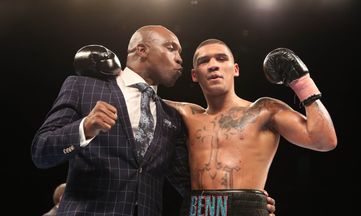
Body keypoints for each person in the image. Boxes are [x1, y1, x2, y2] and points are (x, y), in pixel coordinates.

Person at [31, 26, 276, 215]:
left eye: (180, 52)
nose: (180, 58)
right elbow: (41, 151)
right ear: (142, 50)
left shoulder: (170, 116)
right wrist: (84, 127)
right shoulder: (84, 87)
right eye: (171, 48)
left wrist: (242, 201)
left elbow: (189, 185)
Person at [161, 39, 338, 215]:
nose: (213, 65)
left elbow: (324, 140)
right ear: (194, 74)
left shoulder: (264, 110)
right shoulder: (185, 114)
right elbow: (138, 95)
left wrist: (302, 82)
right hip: (196, 209)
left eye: (221, 58)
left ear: (235, 69)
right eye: (204, 61)